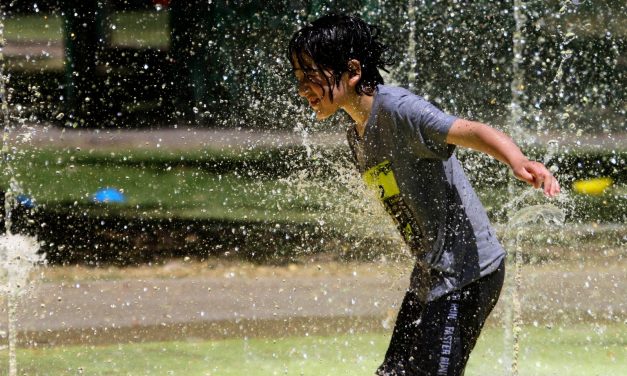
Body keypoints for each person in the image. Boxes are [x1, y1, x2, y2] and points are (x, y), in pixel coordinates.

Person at [288, 14, 560, 376]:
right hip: (431, 276)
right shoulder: (357, 134)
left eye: (311, 75)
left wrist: (517, 159)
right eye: (298, 77)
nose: (303, 87)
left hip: (467, 276)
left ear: (351, 70)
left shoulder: (399, 110)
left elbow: (470, 130)